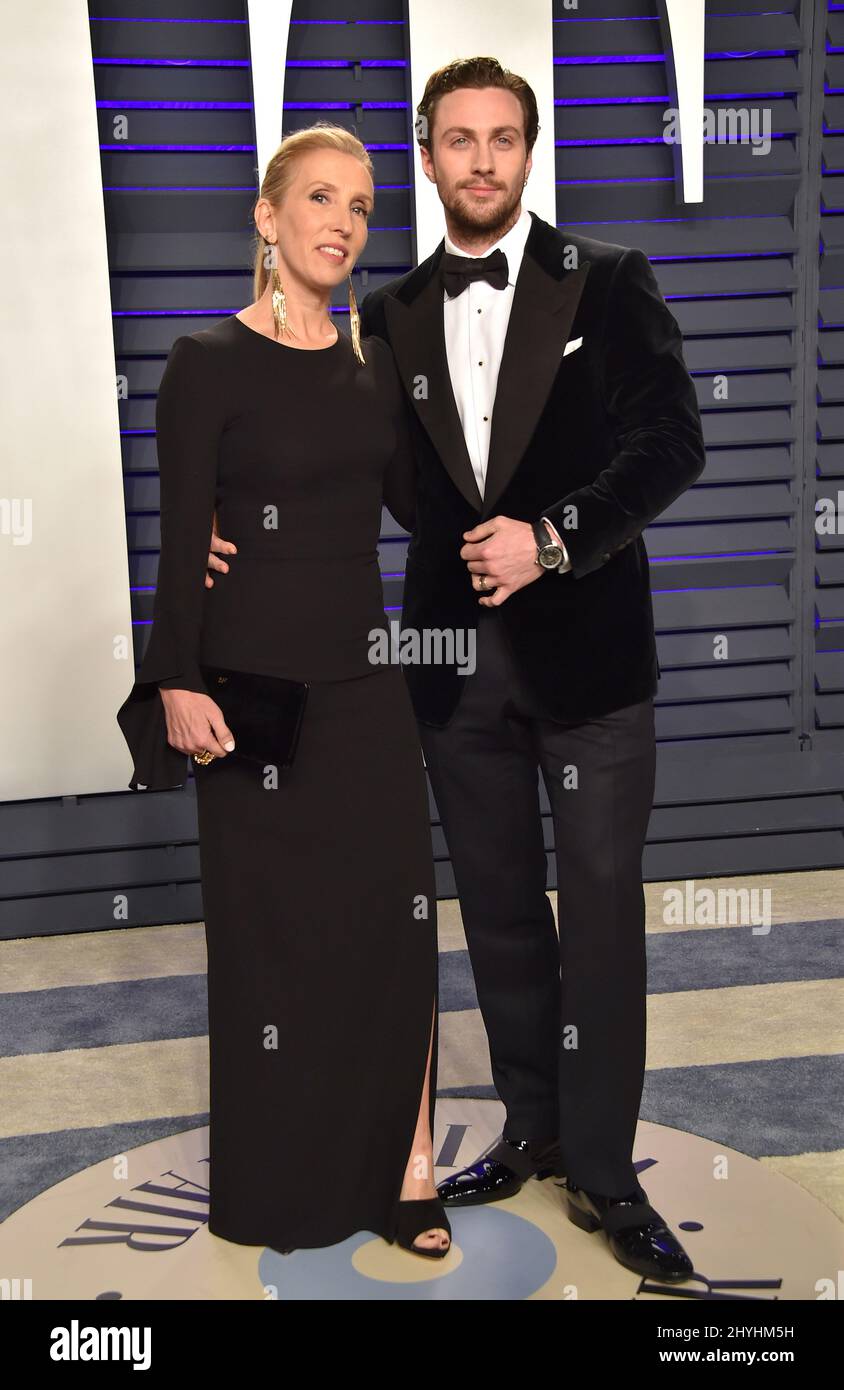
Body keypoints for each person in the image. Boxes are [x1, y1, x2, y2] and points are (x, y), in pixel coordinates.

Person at [208, 60, 707, 1283]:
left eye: (502, 140)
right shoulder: (380, 316)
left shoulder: (611, 282)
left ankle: (600, 1163)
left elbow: (671, 441)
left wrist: (553, 537)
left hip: (589, 665)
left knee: (596, 920)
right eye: (456, 141)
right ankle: (532, 1125)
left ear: (529, 153)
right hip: (445, 673)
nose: (480, 161)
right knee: (493, 918)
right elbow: (319, 450)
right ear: (427, 159)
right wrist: (224, 522)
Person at [117, 123, 451, 1259]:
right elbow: (178, 540)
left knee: (394, 934)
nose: (344, 223)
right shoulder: (203, 360)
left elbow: (431, 507)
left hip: (366, 692)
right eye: (320, 199)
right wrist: (172, 676)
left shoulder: (374, 364)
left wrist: (557, 521)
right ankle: (279, 1182)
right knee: (270, 947)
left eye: (361, 206)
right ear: (267, 218)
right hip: (249, 696)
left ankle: (409, 1171)